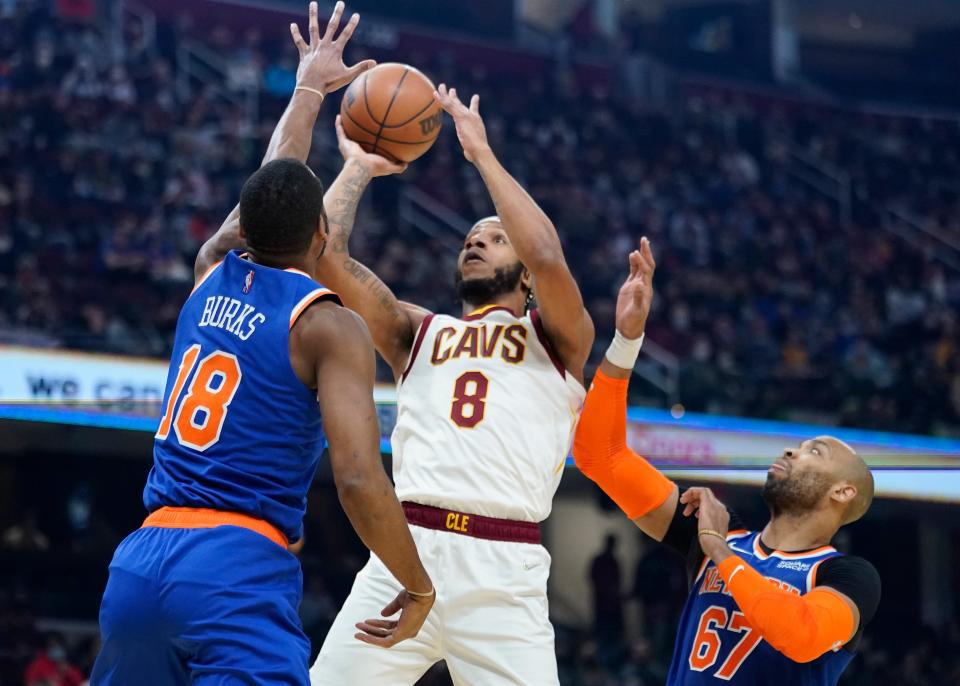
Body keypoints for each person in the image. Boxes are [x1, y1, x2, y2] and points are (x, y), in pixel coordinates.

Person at [90, 4, 432, 684]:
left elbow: (271, 181)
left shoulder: (208, 271)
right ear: (320, 239)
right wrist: (418, 586)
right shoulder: (327, 324)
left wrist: (309, 88)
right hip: (234, 570)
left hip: (140, 560)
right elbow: (359, 478)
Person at [309, 86, 594, 684]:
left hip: (504, 568)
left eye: (493, 237)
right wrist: (358, 166)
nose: (475, 241)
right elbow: (326, 256)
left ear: (525, 279)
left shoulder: (560, 339)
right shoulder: (416, 331)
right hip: (404, 554)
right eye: (470, 236)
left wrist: (482, 156)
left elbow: (546, 253)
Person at [573, 239, 882, 685]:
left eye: (816, 451)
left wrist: (716, 549)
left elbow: (802, 634)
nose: (793, 451)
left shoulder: (845, 574)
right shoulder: (722, 532)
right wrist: (626, 341)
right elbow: (600, 455)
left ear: (843, 491)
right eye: (798, 445)